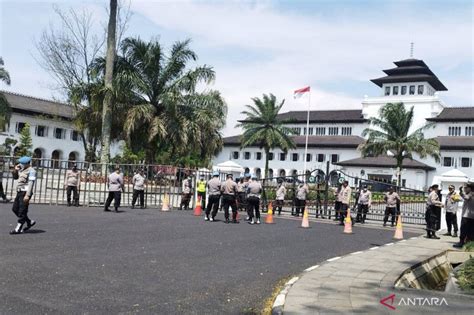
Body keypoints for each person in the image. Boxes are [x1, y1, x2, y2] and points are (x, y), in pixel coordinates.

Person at [9, 156, 37, 234]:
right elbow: (15, 178)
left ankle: (18, 228)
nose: (21, 164)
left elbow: (31, 183)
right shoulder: (22, 170)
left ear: (28, 163)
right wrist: (15, 170)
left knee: (22, 210)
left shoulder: (32, 171)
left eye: (23, 163)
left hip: (25, 192)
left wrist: (27, 195)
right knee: (15, 209)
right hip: (19, 192)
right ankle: (29, 222)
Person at [453, 180, 474, 248]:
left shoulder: (471, 194)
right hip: (471, 216)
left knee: (464, 230)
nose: (464, 189)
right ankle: (468, 243)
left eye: (466, 187)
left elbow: (466, 198)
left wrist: (460, 192)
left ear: (470, 188)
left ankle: (461, 243)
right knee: (470, 231)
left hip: (467, 216)